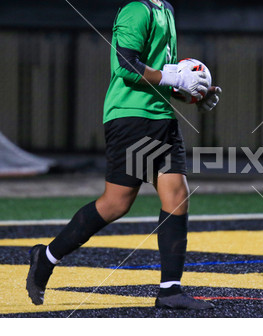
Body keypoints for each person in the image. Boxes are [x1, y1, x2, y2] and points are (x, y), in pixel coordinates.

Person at [26, 0, 221, 310]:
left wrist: (193, 94)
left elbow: (161, 72)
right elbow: (126, 66)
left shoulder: (165, 10)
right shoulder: (137, 10)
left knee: (177, 195)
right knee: (115, 204)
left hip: (161, 116)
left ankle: (170, 290)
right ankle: (46, 257)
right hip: (132, 117)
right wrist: (175, 80)